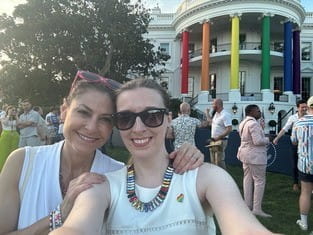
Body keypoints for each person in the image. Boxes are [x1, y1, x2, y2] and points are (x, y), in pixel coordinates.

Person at [52, 78, 273, 235]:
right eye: (126, 118)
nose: (138, 128)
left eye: (151, 116)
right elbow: (76, 228)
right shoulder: (102, 186)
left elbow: (244, 227)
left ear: (169, 119)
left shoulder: (207, 178)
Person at [0, 71, 203, 234]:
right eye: (83, 112)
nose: (91, 127)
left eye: (105, 119)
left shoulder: (118, 175)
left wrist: (185, 155)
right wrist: (58, 216)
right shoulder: (23, 162)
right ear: (64, 109)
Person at [237, 104, 271, 218]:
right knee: (259, 181)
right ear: (251, 112)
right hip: (255, 156)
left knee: (247, 179)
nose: (260, 113)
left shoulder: (243, 123)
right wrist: (268, 139)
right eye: (258, 111)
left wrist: (260, 128)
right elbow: (257, 141)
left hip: (245, 155)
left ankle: (247, 205)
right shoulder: (253, 124)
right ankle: (257, 209)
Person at [273, 99, 307, 192]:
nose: (304, 109)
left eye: (305, 107)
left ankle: (306, 184)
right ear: (297, 108)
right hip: (295, 144)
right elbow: (284, 129)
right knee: (294, 163)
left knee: (307, 164)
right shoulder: (293, 118)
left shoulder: (310, 116)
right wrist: (277, 138)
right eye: (302, 107)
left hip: (307, 145)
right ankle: (295, 183)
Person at [291, 96, 313, 231]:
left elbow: (293, 141)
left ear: (309, 107)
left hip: (305, 164)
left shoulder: (298, 122)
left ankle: (304, 223)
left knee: (305, 192)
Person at [206, 98, 232, 169]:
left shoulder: (225, 115)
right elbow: (211, 122)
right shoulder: (216, 114)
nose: (212, 106)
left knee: (219, 161)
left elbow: (229, 129)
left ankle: (224, 177)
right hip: (214, 140)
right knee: (213, 161)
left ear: (217, 105)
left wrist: (219, 137)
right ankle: (215, 177)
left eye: (213, 104)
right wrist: (207, 113)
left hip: (221, 140)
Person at [0, 105, 19, 171]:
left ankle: (12, 169)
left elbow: (18, 124)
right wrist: (8, 115)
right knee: (4, 152)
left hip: (15, 134)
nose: (13, 111)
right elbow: (4, 122)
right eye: (11, 110)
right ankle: (2, 169)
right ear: (7, 110)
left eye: (14, 110)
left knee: (14, 152)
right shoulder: (3, 115)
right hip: (6, 134)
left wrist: (16, 116)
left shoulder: (14, 117)